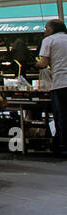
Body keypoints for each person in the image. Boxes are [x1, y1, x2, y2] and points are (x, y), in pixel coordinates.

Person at [36, 19, 67, 157]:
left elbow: (43, 63)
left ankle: (63, 148)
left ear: (52, 29)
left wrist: (35, 64)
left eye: (46, 27)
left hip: (60, 83)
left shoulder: (49, 40)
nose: (44, 30)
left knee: (61, 116)